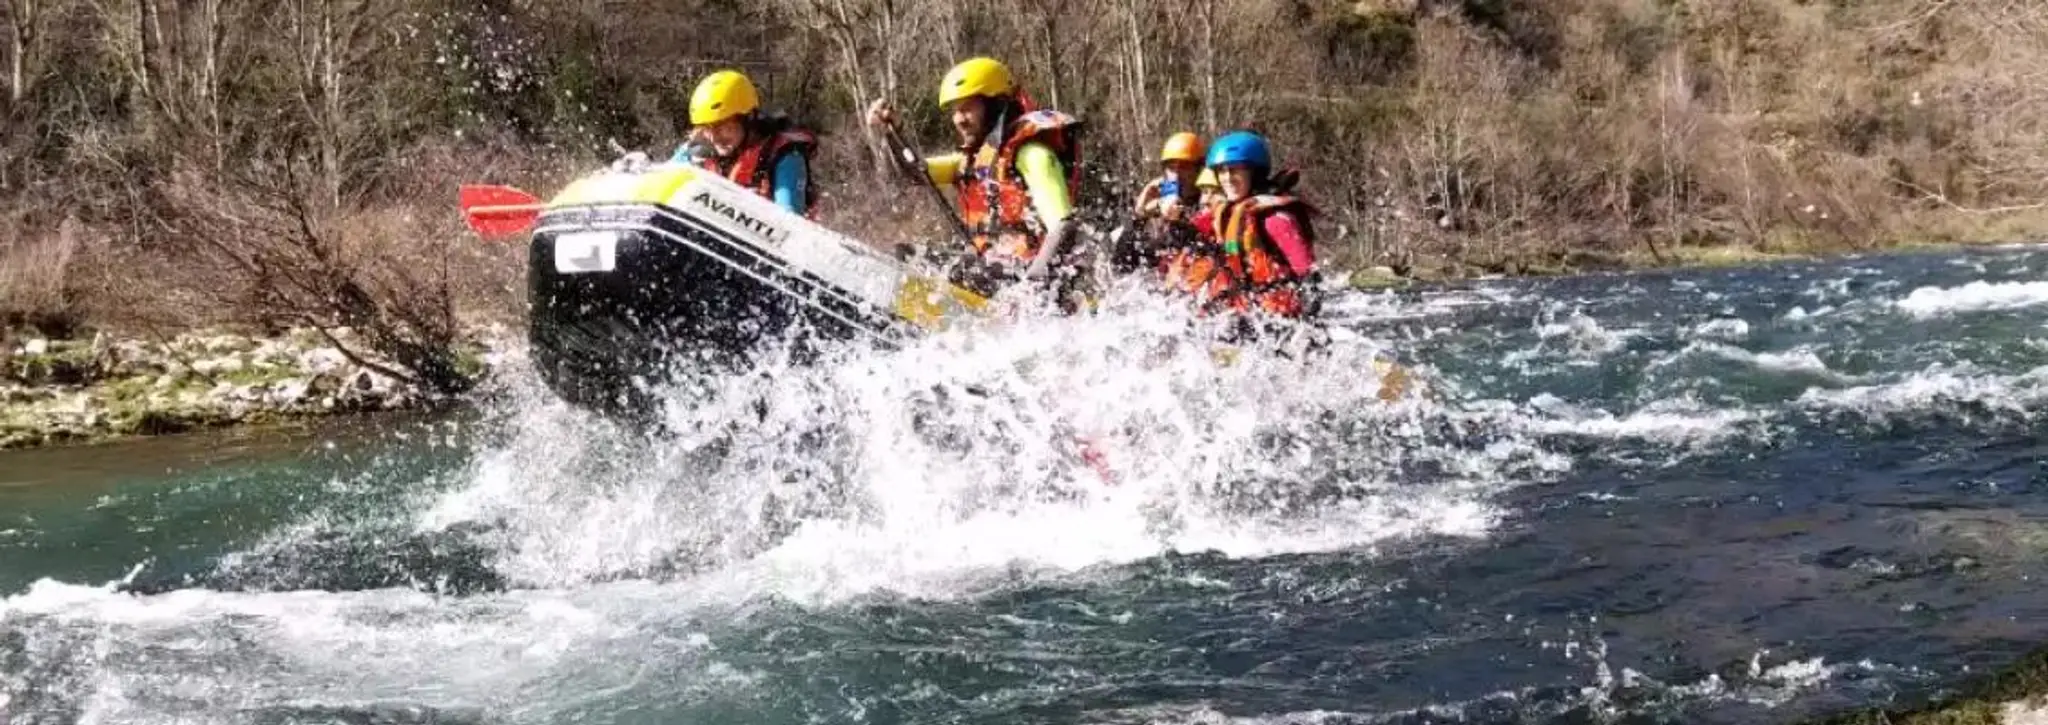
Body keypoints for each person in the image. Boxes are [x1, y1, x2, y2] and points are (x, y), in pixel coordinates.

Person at [864, 57, 1088, 308]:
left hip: (1028, 279)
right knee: (907, 256)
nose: (959, 119)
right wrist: (892, 133)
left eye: (968, 107)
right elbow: (915, 172)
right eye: (956, 110)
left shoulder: (1032, 155)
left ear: (996, 105)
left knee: (964, 269)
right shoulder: (971, 161)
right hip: (992, 269)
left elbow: (1064, 226)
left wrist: (1033, 289)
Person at [1166, 129, 1321, 332]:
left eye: (1236, 170)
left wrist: (1307, 326)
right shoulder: (1222, 214)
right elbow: (1188, 239)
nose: (1227, 178)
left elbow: (1309, 277)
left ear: (1254, 173)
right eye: (1222, 171)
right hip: (1245, 313)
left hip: (1278, 320)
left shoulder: (1276, 219)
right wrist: (1173, 219)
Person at [672, 69, 819, 217]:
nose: (714, 137)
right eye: (706, 128)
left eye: (724, 127)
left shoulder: (784, 156)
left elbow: (790, 219)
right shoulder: (696, 150)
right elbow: (662, 182)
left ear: (748, 119)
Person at [1116, 132, 1205, 275]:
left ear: (1199, 170)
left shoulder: (1207, 203)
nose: (1177, 175)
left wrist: (1178, 218)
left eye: (1185, 167)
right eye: (1172, 168)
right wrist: (1139, 216)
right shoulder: (1156, 209)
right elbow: (1120, 265)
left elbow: (1199, 245)